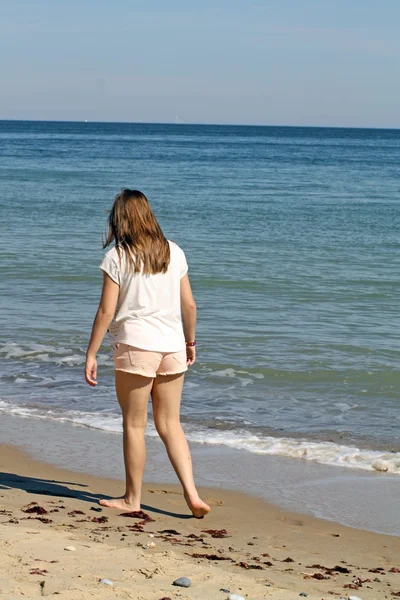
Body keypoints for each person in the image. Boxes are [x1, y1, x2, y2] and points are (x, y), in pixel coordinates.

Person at [84, 189, 210, 518]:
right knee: (171, 424)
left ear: (120, 220)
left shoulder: (117, 257)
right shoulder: (174, 253)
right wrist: (190, 343)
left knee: (135, 425)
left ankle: (132, 498)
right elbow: (190, 305)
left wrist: (91, 353)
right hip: (171, 347)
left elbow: (105, 311)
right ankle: (193, 495)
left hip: (135, 345)